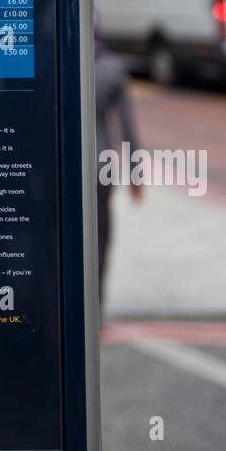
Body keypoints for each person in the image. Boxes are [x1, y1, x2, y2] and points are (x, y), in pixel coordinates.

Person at [94, 21, 142, 311]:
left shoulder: (55, 59)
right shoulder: (111, 68)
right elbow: (127, 128)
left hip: (61, 170)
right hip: (100, 165)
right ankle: (96, 306)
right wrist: (136, 176)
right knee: (100, 236)